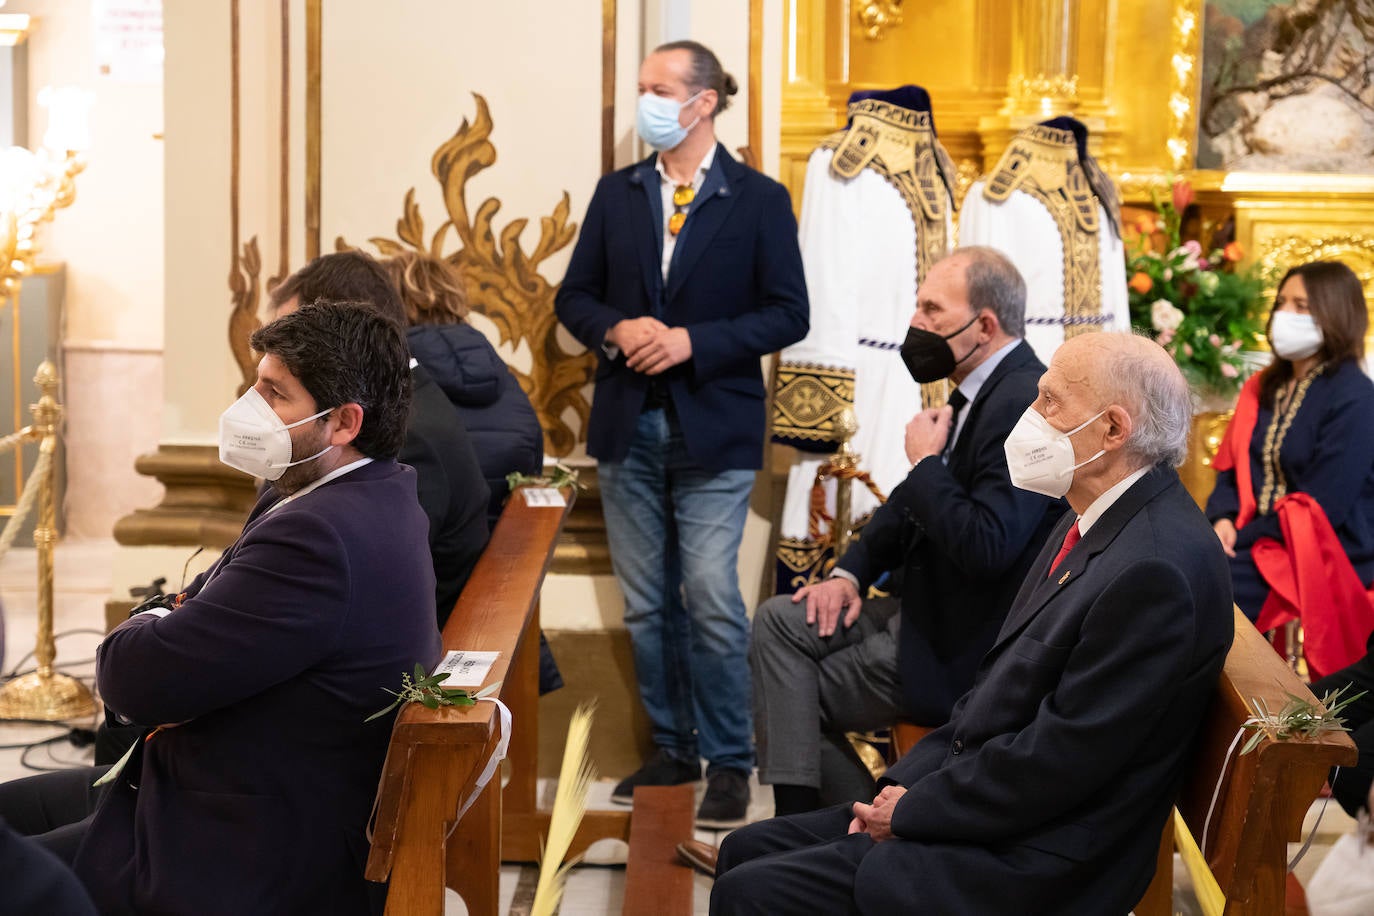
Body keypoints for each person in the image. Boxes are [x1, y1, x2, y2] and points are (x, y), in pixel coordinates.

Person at [712, 332, 1234, 915]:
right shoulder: (1091, 515)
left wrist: (910, 813)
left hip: (1037, 860)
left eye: (1050, 401)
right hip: (994, 811)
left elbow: (1059, 761)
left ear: (1113, 430)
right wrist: (897, 794)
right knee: (744, 848)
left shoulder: (1154, 568)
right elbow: (987, 704)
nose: (1031, 415)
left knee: (749, 892)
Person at [64, 301, 441, 915]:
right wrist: (172, 614)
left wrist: (157, 618)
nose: (249, 407)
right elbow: (191, 606)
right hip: (227, 795)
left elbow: (134, 680)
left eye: (274, 393)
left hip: (234, 847)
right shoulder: (350, 491)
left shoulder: (320, 536)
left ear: (344, 421)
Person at [555, 40, 809, 826]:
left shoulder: (760, 199)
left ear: (703, 102)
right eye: (643, 89)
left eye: (661, 90)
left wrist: (695, 341)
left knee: (708, 594)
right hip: (628, 425)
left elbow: (788, 313)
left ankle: (730, 760)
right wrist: (617, 327)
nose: (647, 103)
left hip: (715, 427)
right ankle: (672, 748)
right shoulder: (618, 192)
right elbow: (575, 298)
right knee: (646, 605)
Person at [751, 246, 1064, 817]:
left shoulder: (1024, 404)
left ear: (985, 326)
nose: (915, 324)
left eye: (931, 310)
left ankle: (818, 835)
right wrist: (849, 573)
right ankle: (823, 834)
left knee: (790, 700)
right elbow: (907, 510)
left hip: (962, 646)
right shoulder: (979, 387)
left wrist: (925, 465)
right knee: (778, 623)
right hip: (925, 611)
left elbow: (988, 546)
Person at [270, 250, 490, 623]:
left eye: (292, 339)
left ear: (341, 330)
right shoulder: (404, 395)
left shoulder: (407, 434)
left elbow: (370, 575)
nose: (275, 356)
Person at [1206, 260, 1374, 677]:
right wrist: (1223, 517)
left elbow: (1322, 507)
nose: (1285, 315)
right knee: (1191, 565)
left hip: (1327, 548)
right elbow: (1232, 465)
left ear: (1336, 313)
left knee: (1208, 585)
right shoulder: (1265, 387)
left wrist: (1241, 538)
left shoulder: (1355, 397)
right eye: (1282, 302)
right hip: (1259, 537)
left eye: (1302, 306)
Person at [381, 248, 544, 529]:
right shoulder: (497, 368)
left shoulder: (395, 371)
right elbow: (535, 460)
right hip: (502, 543)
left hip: (439, 553)